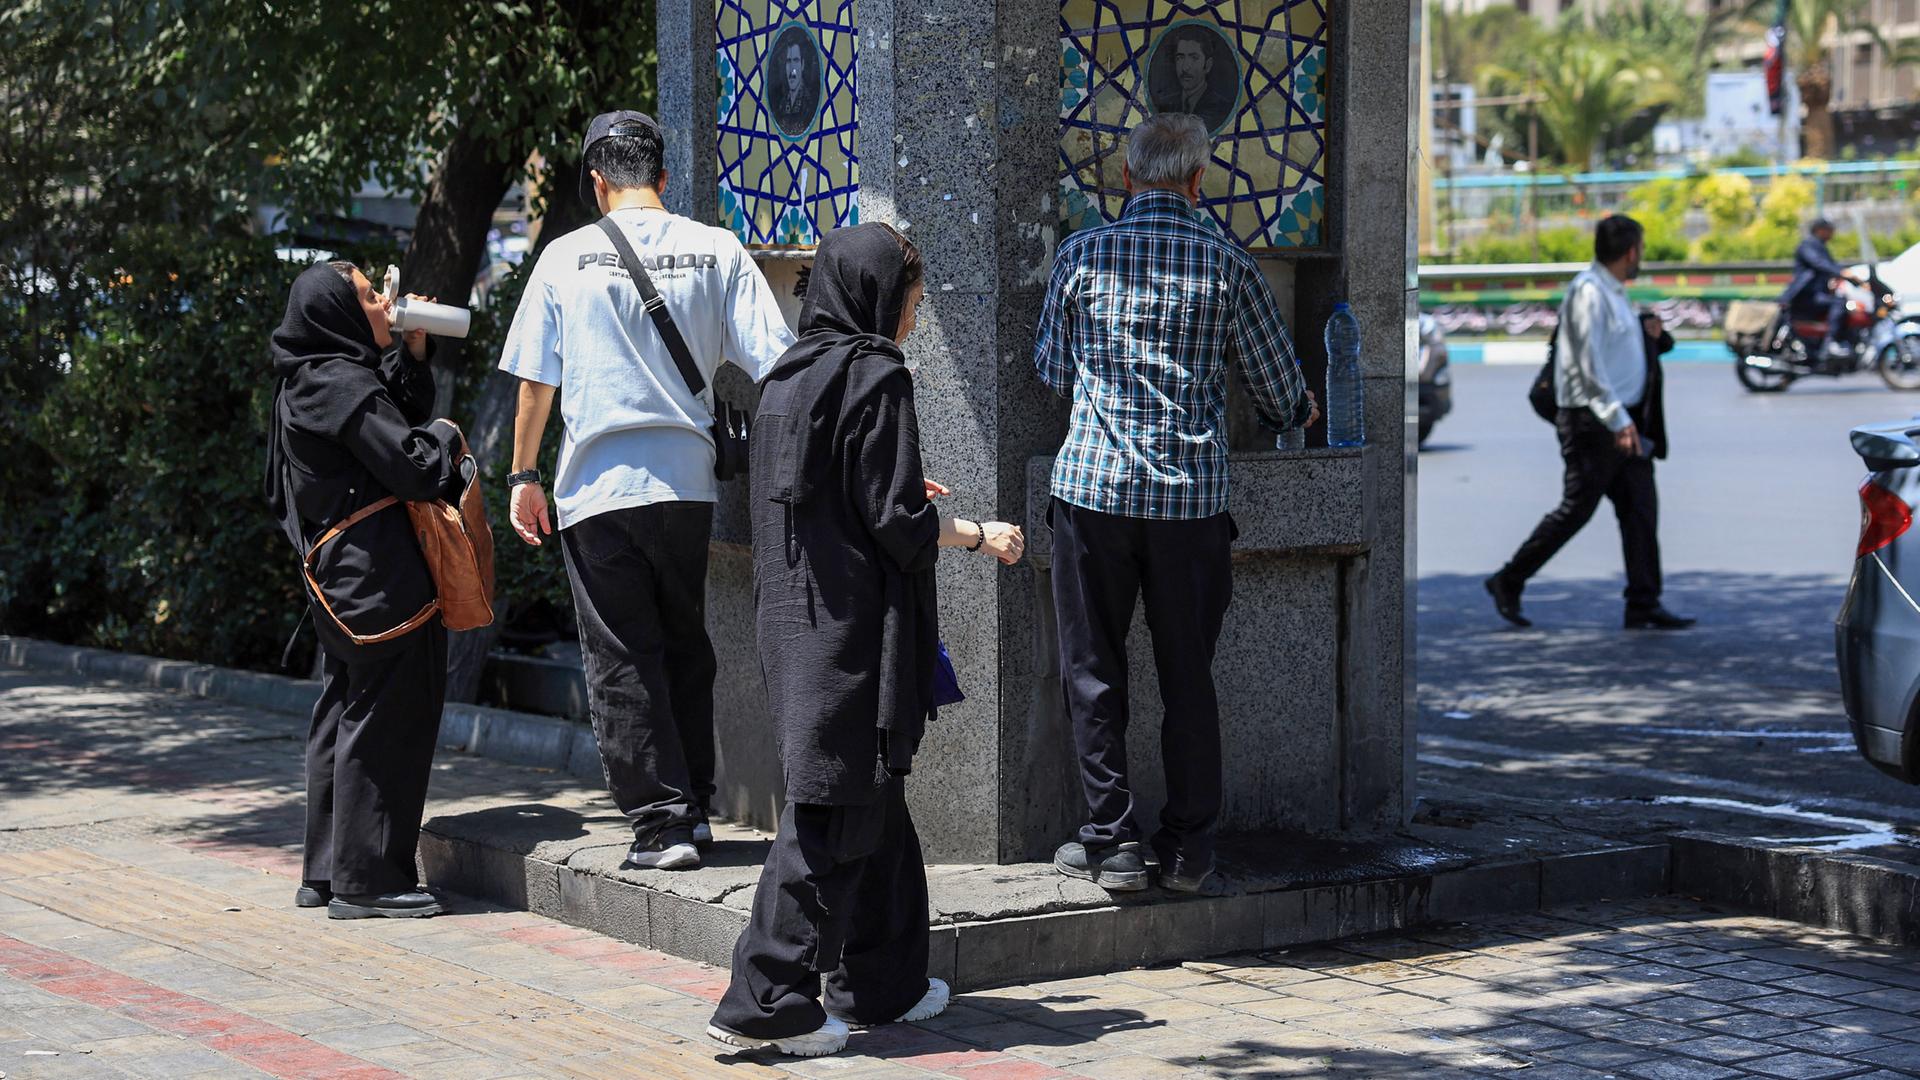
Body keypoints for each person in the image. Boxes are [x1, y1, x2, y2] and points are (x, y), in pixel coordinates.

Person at [706, 223, 1025, 1058]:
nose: (911, 323)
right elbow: (897, 525)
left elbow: (821, 491)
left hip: (794, 623)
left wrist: (892, 489)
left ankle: (886, 981)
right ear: (878, 299)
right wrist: (978, 531)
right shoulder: (876, 375)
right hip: (847, 633)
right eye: (910, 305)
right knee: (830, 814)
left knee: (874, 805)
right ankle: (766, 999)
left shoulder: (789, 374)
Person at [499, 110, 795, 871]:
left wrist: (523, 475)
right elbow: (779, 364)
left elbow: (537, 382)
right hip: (688, 485)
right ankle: (692, 807)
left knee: (621, 654)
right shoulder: (717, 248)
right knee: (683, 644)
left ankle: (662, 825)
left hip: (597, 489)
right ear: (663, 177)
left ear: (597, 182)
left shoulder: (565, 257)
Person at [1033, 114, 1316, 896]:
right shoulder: (1229, 263)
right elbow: (1280, 389)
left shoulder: (1082, 254)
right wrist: (1299, 414)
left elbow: (1051, 369)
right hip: (1190, 505)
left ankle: (1112, 843)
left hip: (1092, 497)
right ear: (1198, 183)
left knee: (1093, 672)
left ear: (1127, 178)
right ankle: (1189, 850)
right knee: (1188, 676)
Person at [265, 261, 464, 919]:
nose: (386, 301)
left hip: (338, 579)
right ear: (339, 313)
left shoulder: (310, 382)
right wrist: (444, 442)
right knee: (388, 719)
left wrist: (411, 352)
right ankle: (369, 881)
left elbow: (390, 416)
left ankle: (326, 870)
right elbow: (412, 466)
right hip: (381, 582)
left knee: (343, 711)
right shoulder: (342, 384)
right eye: (370, 295)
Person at [1485, 214, 1693, 632]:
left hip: (1621, 421)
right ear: (1631, 252)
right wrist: (1617, 418)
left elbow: (1611, 350)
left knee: (1640, 510)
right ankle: (1508, 580)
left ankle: (1643, 603)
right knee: (1575, 510)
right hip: (1593, 422)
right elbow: (1587, 365)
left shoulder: (1614, 293)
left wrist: (1644, 332)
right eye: (1641, 250)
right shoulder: (1588, 292)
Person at [1781, 217, 1865, 363]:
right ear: (1820, 230)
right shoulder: (1807, 245)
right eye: (1829, 230)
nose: (1832, 234)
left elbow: (1830, 266)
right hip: (1806, 296)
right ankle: (1831, 343)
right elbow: (1820, 264)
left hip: (1816, 294)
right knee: (1839, 303)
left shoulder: (1819, 246)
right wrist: (1843, 273)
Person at [1152, 29, 1235, 131]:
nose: (1185, 67)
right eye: (1180, 58)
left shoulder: (1221, 107)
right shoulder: (1164, 104)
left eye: (1194, 58)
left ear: (1208, 65)